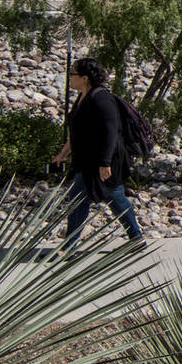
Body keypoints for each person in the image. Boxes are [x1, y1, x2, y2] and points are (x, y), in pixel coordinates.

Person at [56, 56, 144, 248]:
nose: (69, 78)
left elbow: (111, 132)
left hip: (105, 161)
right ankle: (69, 246)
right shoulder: (83, 97)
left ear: (85, 78)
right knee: (81, 200)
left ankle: (136, 237)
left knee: (115, 199)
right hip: (86, 161)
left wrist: (105, 163)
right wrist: (64, 153)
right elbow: (78, 131)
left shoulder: (101, 98)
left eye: (73, 74)